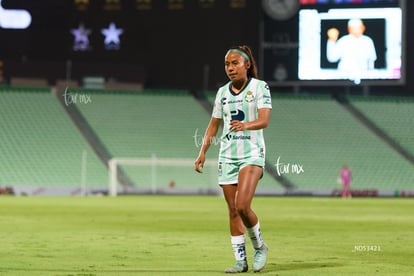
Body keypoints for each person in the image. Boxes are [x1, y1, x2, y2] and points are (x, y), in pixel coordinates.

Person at [194, 45, 272, 273]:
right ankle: (240, 260)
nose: (230, 68)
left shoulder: (259, 87)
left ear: (247, 64)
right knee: (232, 210)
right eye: (227, 64)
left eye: (235, 63)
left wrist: (246, 125)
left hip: (252, 153)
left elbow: (265, 119)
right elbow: (213, 125)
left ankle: (259, 247)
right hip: (227, 155)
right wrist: (202, 152)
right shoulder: (222, 93)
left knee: (242, 205)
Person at [326, 18, 377, 84]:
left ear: (363, 28)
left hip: (363, 77)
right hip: (344, 77)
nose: (356, 30)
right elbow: (332, 58)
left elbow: (371, 60)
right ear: (349, 29)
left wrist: (371, 77)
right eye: (353, 28)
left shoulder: (368, 41)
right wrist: (331, 41)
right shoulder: (343, 41)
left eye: (358, 27)